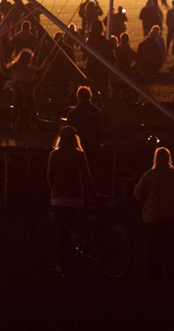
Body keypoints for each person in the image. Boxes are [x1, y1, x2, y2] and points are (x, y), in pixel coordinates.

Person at [134, 146, 174, 281]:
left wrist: (146, 200)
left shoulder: (149, 175)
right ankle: (173, 277)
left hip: (153, 217)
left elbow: (138, 193)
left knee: (155, 249)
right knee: (173, 249)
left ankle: (155, 278)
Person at [47, 126, 96, 276]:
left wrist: (55, 189)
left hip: (59, 197)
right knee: (73, 226)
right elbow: (86, 177)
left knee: (62, 233)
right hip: (75, 196)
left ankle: (64, 267)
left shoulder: (55, 154)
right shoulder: (80, 155)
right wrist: (93, 193)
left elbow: (50, 176)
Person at [66, 86, 103, 150]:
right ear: (90, 96)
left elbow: (69, 132)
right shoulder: (96, 111)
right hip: (94, 145)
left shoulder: (73, 113)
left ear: (78, 97)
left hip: (78, 146)